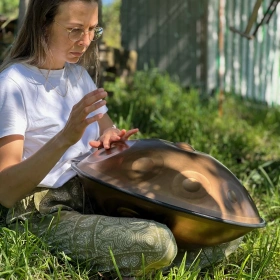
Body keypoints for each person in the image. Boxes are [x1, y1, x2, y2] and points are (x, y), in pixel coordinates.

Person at [0, 0, 178, 278]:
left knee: (222, 235)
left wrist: (113, 138)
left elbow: (106, 129)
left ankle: (143, 264)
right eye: (74, 29)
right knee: (158, 241)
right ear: (43, 24)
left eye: (93, 29)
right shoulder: (13, 84)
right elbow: (6, 190)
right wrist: (64, 139)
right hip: (42, 211)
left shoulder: (78, 76)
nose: (85, 41)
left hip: (94, 193)